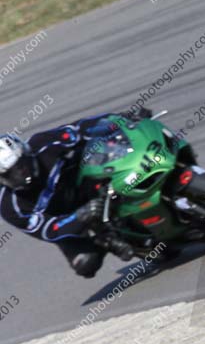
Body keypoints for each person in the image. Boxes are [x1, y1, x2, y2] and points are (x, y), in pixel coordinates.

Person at [0, 111, 149, 278]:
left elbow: (79, 130)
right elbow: (48, 230)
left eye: (21, 165)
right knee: (85, 264)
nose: (21, 174)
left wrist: (121, 120)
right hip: (67, 219)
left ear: (27, 153)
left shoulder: (42, 143)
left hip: (86, 184)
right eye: (10, 174)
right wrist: (80, 216)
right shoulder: (10, 206)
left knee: (104, 147)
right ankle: (105, 241)